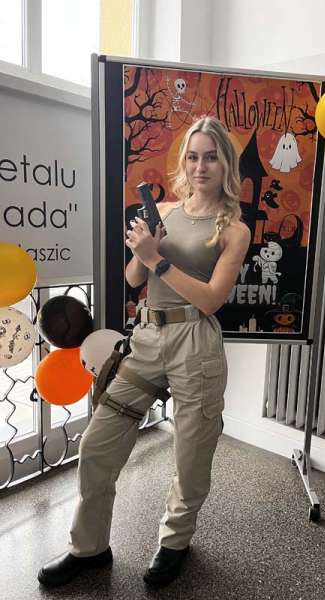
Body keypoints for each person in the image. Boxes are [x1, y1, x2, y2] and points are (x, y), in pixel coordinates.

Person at [38, 116, 251, 588]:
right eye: (193, 156)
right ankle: (89, 548)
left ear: (225, 165)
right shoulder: (166, 211)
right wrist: (141, 248)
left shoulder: (234, 230)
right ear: (183, 161)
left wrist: (158, 257)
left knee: (190, 458)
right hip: (148, 337)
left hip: (195, 342)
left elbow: (211, 299)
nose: (200, 166)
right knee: (96, 445)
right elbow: (135, 278)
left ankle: (174, 543)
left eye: (211, 157)